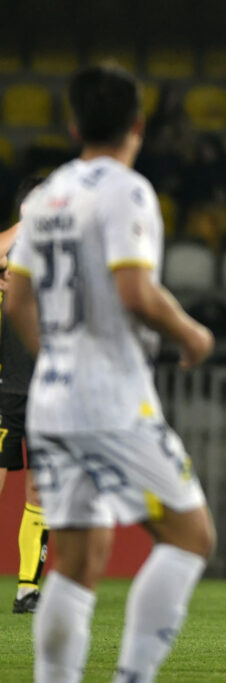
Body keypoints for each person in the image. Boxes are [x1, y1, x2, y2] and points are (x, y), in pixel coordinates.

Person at [4, 63, 216, 683]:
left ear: (73, 124)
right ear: (138, 125)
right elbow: (135, 289)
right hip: (113, 398)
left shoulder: (45, 199)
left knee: (76, 559)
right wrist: (192, 334)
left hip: (53, 397)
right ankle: (133, 676)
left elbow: (16, 302)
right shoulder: (127, 191)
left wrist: (58, 363)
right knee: (190, 536)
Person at [0, 176, 48, 614]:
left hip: (50, 387)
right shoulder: (5, 246)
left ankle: (27, 589)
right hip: (6, 384)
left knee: (41, 491)